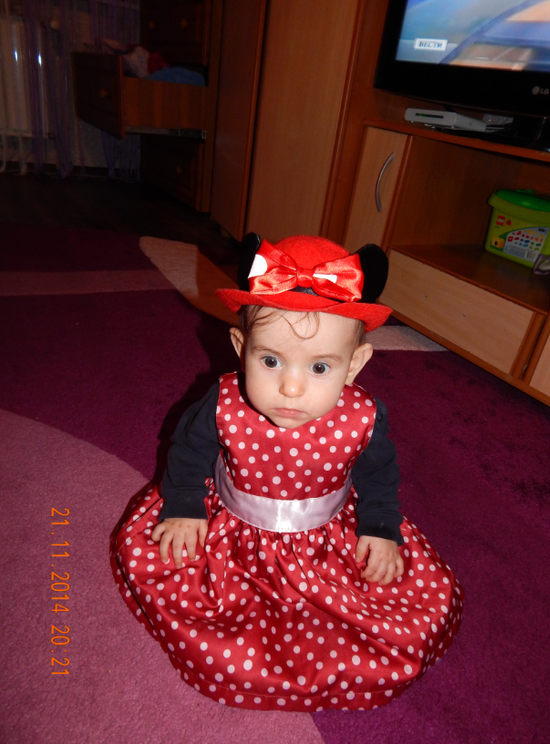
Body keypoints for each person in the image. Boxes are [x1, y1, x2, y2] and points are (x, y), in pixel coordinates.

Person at [111, 234, 463, 712]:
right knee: (167, 568)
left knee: (400, 614)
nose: (291, 388)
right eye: (271, 361)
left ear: (355, 365)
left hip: (326, 542)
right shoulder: (223, 402)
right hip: (231, 535)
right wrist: (185, 506)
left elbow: (379, 476)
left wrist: (380, 526)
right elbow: (189, 453)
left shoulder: (364, 417)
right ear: (241, 347)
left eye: (319, 367)